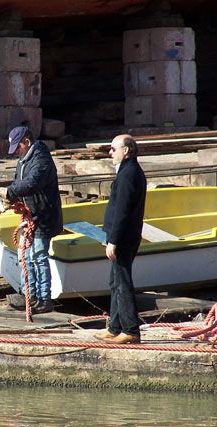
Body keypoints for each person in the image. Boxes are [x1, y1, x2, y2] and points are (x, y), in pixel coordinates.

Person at [0, 126, 63, 314]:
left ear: (27, 143)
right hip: (30, 216)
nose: (15, 151)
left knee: (38, 257)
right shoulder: (24, 160)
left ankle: (44, 299)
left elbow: (31, 183)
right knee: (26, 257)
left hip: (44, 216)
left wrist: (7, 191)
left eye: (17, 147)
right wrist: (11, 196)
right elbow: (19, 183)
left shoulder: (42, 160)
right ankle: (28, 296)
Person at [94, 134, 146, 344]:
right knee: (115, 282)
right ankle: (114, 327)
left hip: (124, 238)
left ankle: (131, 330)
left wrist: (113, 240)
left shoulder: (128, 174)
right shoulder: (128, 171)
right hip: (124, 235)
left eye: (113, 149)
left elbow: (122, 211)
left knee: (123, 282)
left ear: (126, 151)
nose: (110, 152)